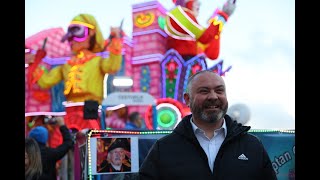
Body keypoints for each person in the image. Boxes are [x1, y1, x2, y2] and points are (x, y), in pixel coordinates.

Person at [139, 70, 277, 180]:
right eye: (204, 91)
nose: (213, 96)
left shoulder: (252, 145)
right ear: (187, 99)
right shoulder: (163, 149)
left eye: (219, 90)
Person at [28, 13, 123, 132]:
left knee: (90, 139)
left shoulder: (97, 61)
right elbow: (46, 81)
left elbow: (113, 66)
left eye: (77, 31)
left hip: (91, 108)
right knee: (66, 139)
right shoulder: (66, 65)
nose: (71, 39)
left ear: (92, 32)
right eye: (69, 35)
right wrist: (34, 63)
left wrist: (116, 40)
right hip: (69, 109)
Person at [164, 0, 236, 61]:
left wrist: (215, 22)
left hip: (190, 65)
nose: (199, 4)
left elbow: (212, 54)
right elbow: (205, 37)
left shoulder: (193, 30)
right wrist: (222, 15)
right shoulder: (176, 13)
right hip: (180, 66)